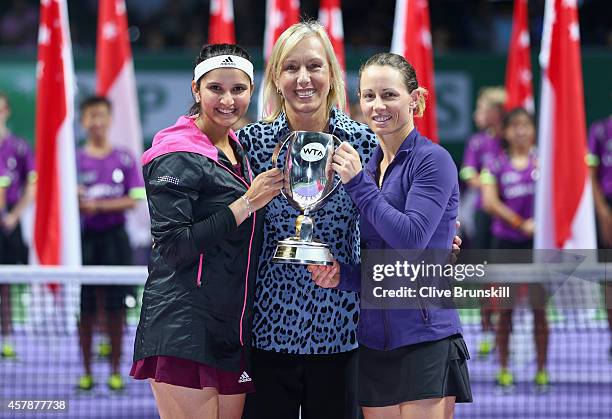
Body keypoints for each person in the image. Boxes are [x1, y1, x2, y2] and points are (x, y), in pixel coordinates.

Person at [238, 22, 462, 419]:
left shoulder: (365, 142)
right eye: (290, 67)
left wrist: (442, 242)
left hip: (345, 334)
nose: (303, 78)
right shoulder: (251, 144)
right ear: (275, 76)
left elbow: (403, 221)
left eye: (314, 66)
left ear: (331, 75)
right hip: (266, 332)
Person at [308, 52, 472, 419]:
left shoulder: (433, 160)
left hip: (426, 340)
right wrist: (342, 276)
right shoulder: (369, 167)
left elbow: (411, 241)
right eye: (368, 96)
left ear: (415, 99)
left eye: (389, 95)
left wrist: (358, 184)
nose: (377, 106)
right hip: (372, 344)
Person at [130, 44, 283, 419]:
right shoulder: (175, 153)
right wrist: (247, 203)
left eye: (238, 89)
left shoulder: (239, 152)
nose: (228, 99)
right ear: (196, 90)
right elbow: (173, 246)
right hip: (183, 325)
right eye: (216, 88)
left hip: (232, 327)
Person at [75, 96, 146, 391]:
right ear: (83, 121)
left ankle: (117, 370)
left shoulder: (125, 157)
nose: (97, 121)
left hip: (116, 241)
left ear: (110, 118)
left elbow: (136, 198)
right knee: (87, 309)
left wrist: (99, 206)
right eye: (91, 116)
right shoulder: (74, 160)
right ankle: (87, 373)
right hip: (86, 242)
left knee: (117, 310)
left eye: (102, 115)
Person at [480, 107, 549, 388]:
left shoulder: (544, 162)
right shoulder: (494, 165)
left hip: (537, 246)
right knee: (504, 310)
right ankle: (504, 368)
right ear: (506, 132)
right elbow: (489, 202)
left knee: (539, 310)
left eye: (526, 125)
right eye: (515, 126)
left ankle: (542, 370)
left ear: (534, 130)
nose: (521, 131)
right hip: (506, 245)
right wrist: (521, 223)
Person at [459, 86, 506, 357]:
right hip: (483, 214)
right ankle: (487, 328)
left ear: (496, 112)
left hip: (510, 218)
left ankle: (502, 327)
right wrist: (492, 188)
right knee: (485, 275)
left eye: (482, 108)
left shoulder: (510, 139)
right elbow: (469, 174)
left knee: (508, 277)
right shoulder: (477, 142)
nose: (477, 114)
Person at [0, 92, 35, 359]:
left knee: (7, 284)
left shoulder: (20, 147)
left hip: (9, 221)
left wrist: (14, 216)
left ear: (7, 111)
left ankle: (7, 339)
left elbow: (32, 187)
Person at [587, 115, 612, 358]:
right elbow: (591, 174)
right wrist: (603, 212)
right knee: (609, 279)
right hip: (607, 210)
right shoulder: (600, 130)